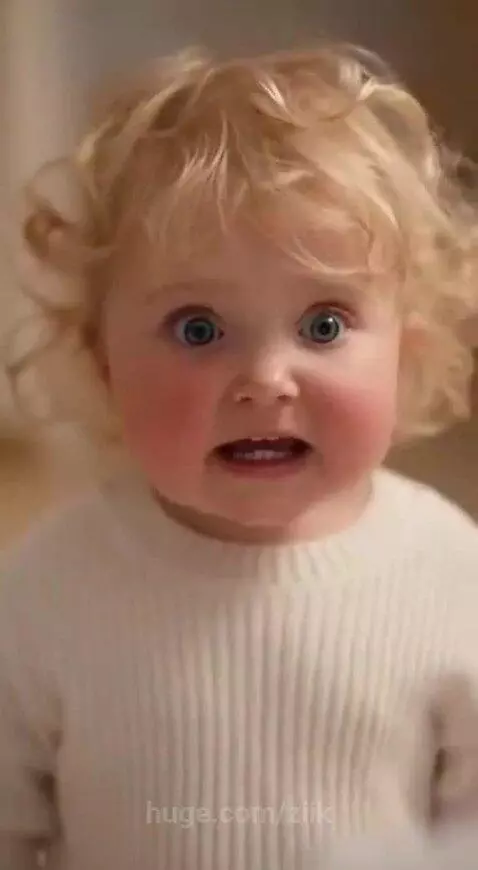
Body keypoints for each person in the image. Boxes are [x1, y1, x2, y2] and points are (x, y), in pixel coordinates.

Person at [1, 40, 478, 870]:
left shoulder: (450, 573)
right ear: (102, 360)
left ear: (408, 350)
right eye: (199, 329)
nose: (264, 380)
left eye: (324, 324)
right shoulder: (46, 588)